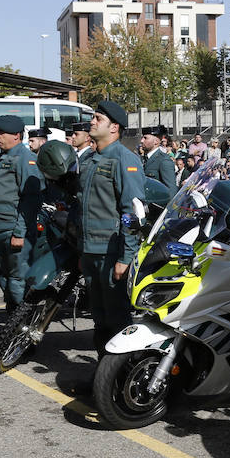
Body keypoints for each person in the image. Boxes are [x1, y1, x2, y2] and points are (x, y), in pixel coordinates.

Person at [78, 100, 145, 356]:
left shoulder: (125, 159)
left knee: (117, 319)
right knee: (99, 319)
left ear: (114, 127)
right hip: (90, 250)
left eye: (98, 118)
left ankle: (119, 379)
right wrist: (80, 251)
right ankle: (102, 375)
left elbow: (133, 212)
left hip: (111, 252)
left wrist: (125, 257)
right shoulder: (90, 160)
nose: (92, 122)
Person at [0, 115, 43, 311]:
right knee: (5, 276)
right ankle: (13, 322)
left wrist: (20, 232)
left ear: (16, 135)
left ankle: (21, 326)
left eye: (1, 133)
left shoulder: (26, 159)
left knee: (18, 279)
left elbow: (30, 199)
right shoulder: (1, 158)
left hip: (13, 228)